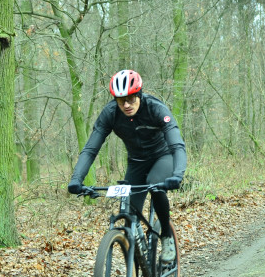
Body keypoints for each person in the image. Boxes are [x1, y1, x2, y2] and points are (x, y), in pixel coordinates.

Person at [68, 69, 186, 262]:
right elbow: (90, 149)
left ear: (139, 95)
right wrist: (76, 179)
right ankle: (136, 276)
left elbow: (176, 144)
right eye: (121, 100)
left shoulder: (155, 109)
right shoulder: (110, 114)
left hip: (163, 156)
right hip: (136, 162)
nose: (126, 104)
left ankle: (166, 235)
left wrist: (178, 174)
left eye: (131, 98)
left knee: (155, 183)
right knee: (128, 213)